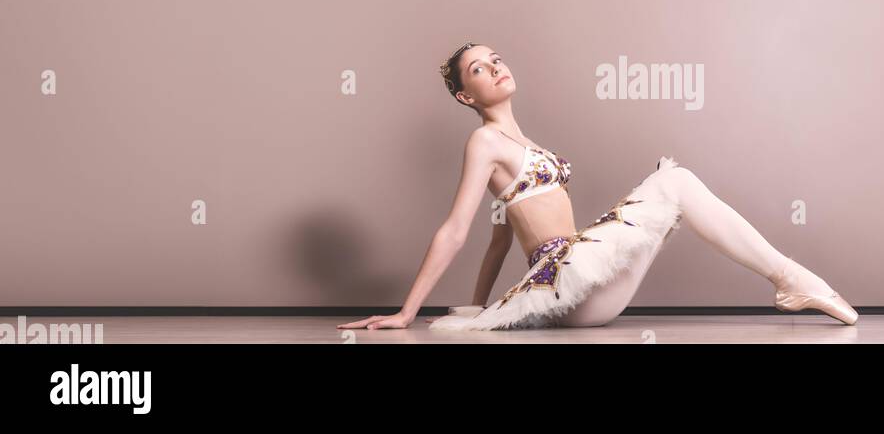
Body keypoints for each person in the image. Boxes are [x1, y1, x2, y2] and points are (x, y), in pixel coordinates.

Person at [338, 42, 855, 332]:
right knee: (674, 181)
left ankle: (792, 281)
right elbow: (455, 230)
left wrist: (479, 308)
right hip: (566, 284)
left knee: (677, 189)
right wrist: (408, 312)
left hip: (584, 277)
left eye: (496, 59)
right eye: (478, 69)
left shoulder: (523, 143)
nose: (494, 68)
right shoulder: (486, 143)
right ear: (463, 95)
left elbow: (499, 237)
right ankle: (791, 279)